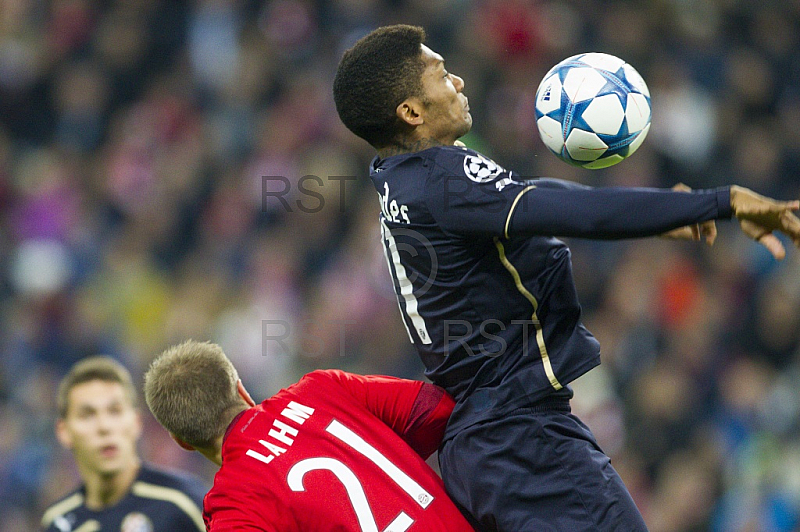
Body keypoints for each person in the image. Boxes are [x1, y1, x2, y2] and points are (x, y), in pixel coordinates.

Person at [332, 24, 800, 531]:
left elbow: (533, 193)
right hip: (523, 444)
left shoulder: (402, 179)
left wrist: (665, 211)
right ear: (411, 111)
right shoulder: (440, 178)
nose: (460, 82)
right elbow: (561, 209)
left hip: (489, 449)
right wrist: (721, 200)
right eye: (442, 75)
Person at [143, 339, 476, 531]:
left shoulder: (232, 505)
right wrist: (391, 458)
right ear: (242, 391)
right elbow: (437, 409)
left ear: (181, 440)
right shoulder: (319, 389)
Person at [41, 356, 207, 532]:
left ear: (136, 422)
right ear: (64, 431)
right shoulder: (57, 522)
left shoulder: (183, 501)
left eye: (115, 411)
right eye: (87, 415)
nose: (104, 427)